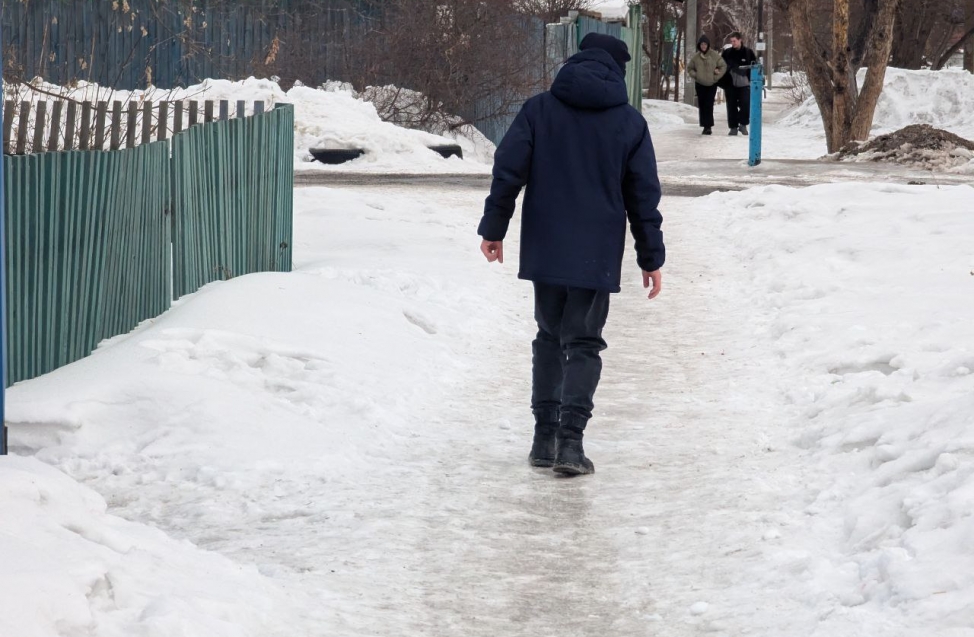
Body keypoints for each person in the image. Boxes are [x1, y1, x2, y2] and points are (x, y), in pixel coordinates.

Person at [477, 33, 665, 476]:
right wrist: (650, 257)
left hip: (547, 243)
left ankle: (544, 438)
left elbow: (508, 172)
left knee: (548, 335)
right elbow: (643, 197)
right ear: (620, 70)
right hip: (595, 251)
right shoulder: (629, 123)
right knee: (583, 341)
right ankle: (570, 444)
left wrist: (494, 228)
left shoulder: (539, 109)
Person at [687, 35, 727, 135]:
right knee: (702, 105)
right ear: (699, 45)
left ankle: (708, 126)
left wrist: (716, 77)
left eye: (705, 44)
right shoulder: (696, 57)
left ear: (708, 45)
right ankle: (704, 125)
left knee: (709, 105)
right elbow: (690, 68)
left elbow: (723, 65)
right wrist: (696, 75)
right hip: (700, 84)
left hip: (711, 84)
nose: (703, 46)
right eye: (701, 44)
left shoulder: (714, 55)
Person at [719, 31, 757, 136]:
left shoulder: (748, 52)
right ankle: (733, 127)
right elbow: (720, 65)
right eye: (731, 41)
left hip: (744, 84)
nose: (733, 43)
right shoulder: (727, 53)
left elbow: (754, 66)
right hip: (730, 83)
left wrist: (750, 78)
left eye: (734, 41)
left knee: (745, 105)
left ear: (740, 40)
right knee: (731, 106)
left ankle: (743, 124)